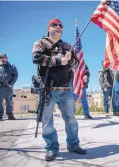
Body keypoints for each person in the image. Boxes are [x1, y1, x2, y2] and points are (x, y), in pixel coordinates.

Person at [32, 18, 86, 161]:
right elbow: (36, 58)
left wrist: (70, 59)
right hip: (48, 89)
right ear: (48, 28)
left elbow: (76, 64)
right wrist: (58, 60)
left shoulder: (68, 46)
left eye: (60, 26)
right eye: (54, 25)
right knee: (47, 122)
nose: (58, 27)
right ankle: (51, 148)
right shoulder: (41, 43)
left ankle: (73, 145)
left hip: (66, 89)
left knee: (71, 120)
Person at [0, 53, 18, 121]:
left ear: (6, 58)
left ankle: (10, 115)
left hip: (8, 87)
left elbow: (15, 75)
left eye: (4, 58)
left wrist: (11, 83)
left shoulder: (11, 66)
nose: (3, 59)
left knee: (9, 102)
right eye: (1, 58)